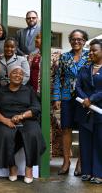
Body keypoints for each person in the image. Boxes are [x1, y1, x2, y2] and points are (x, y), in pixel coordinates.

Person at [0, 66, 46, 184]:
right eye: (15, 73)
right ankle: (12, 166)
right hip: (5, 120)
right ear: (9, 75)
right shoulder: (0, 91)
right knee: (5, 134)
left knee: (33, 133)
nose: (18, 75)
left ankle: (29, 167)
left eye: (21, 74)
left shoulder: (29, 90)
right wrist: (6, 120)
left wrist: (22, 116)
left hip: (26, 119)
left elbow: (36, 108)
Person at [53, 29, 89, 176]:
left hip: (84, 98)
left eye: (79, 39)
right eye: (73, 39)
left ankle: (80, 162)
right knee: (66, 128)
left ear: (84, 41)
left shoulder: (89, 55)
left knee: (82, 129)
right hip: (67, 96)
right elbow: (58, 78)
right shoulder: (64, 56)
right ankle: (66, 161)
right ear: (70, 41)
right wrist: (57, 97)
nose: (76, 41)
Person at [76, 39, 102, 184]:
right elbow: (78, 86)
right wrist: (86, 100)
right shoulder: (85, 68)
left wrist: (91, 99)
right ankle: (86, 171)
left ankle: (98, 173)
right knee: (85, 142)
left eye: (94, 50)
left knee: (100, 142)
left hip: (100, 111)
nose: (91, 53)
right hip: (85, 110)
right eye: (90, 50)